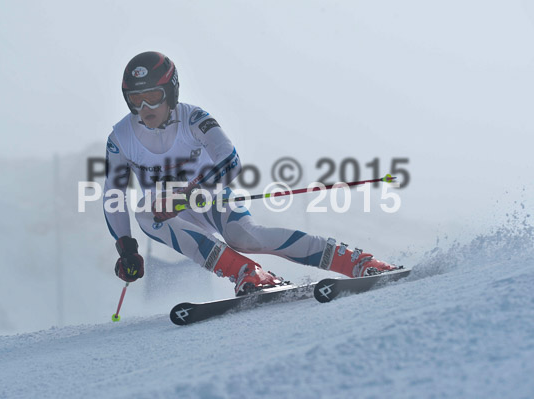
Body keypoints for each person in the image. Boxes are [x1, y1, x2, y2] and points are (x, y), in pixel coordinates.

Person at [104, 51, 398, 296]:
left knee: (246, 239)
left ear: (171, 92)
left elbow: (230, 161)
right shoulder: (121, 137)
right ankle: (249, 273)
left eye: (153, 96)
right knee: (146, 211)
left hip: (210, 198)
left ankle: (358, 262)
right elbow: (113, 193)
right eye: (135, 99)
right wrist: (126, 249)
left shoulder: (194, 118)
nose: (144, 107)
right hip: (170, 214)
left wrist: (187, 195)